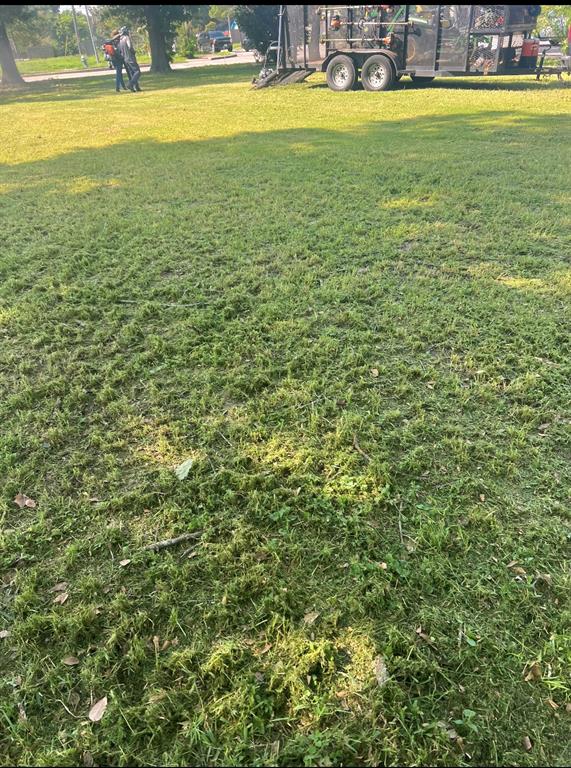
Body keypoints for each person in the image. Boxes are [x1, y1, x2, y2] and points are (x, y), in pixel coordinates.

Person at [118, 26, 142, 92]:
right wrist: (133, 51)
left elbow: (120, 51)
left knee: (132, 73)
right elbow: (130, 47)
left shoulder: (120, 40)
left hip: (125, 59)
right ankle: (130, 84)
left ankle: (136, 87)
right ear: (126, 32)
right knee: (137, 72)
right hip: (130, 58)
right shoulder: (126, 38)